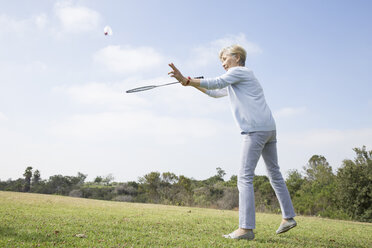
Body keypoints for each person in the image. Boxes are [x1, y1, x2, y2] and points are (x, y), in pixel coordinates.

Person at [168, 44, 297, 241]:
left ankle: (245, 229)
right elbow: (214, 91)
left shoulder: (239, 72)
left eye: (225, 59)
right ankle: (288, 217)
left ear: (237, 57)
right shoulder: (239, 79)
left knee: (244, 177)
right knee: (274, 173)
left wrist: (186, 79)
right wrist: (189, 83)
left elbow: (216, 82)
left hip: (255, 130)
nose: (223, 64)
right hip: (269, 128)